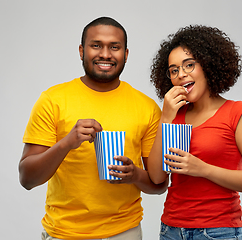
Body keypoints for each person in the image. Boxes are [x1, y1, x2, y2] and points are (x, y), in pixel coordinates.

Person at [19, 16, 168, 240]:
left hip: (124, 231)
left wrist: (134, 175)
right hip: (64, 233)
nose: (105, 54)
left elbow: (159, 184)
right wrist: (67, 143)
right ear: (81, 51)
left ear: (126, 54)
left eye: (114, 47)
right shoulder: (53, 100)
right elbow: (27, 179)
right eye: (96, 45)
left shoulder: (147, 108)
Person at [148, 25, 242, 240]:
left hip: (219, 231)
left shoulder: (238, 114)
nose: (181, 74)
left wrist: (203, 169)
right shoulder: (173, 115)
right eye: (174, 70)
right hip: (171, 230)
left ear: (207, 64)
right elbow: (157, 176)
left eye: (189, 65)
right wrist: (166, 118)